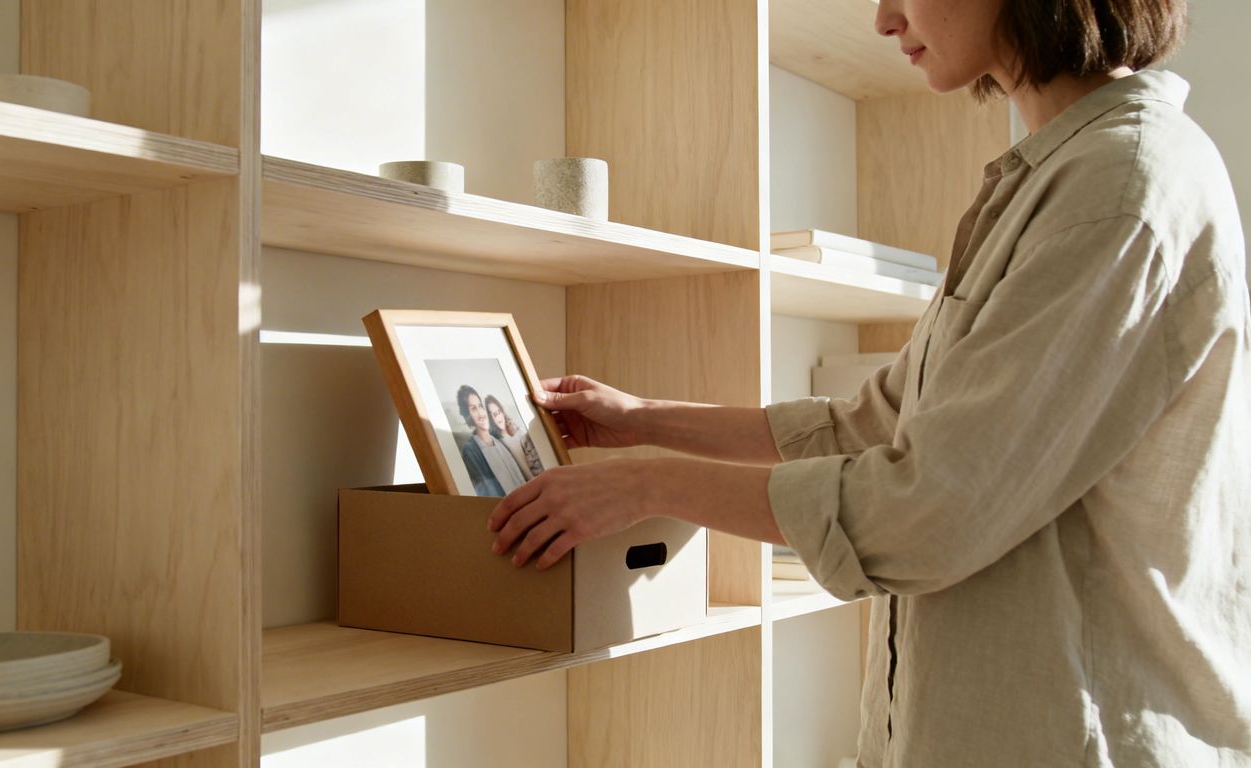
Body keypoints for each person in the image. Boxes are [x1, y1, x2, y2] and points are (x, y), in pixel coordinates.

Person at [488, 0, 1251, 765]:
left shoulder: (1115, 186)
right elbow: (877, 420)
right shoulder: (1060, 176)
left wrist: (646, 485)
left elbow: (929, 510)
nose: (884, 19)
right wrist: (640, 418)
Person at [455, 384, 528, 497]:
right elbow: (487, 492)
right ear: (467, 415)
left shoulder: (499, 441)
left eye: (480, 406)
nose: (480, 413)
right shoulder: (470, 450)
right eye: (473, 409)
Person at [485, 394, 545, 480]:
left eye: (498, 412)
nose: (497, 417)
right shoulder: (498, 444)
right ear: (490, 419)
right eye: (493, 414)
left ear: (502, 412)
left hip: (541, 477)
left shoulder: (519, 432)